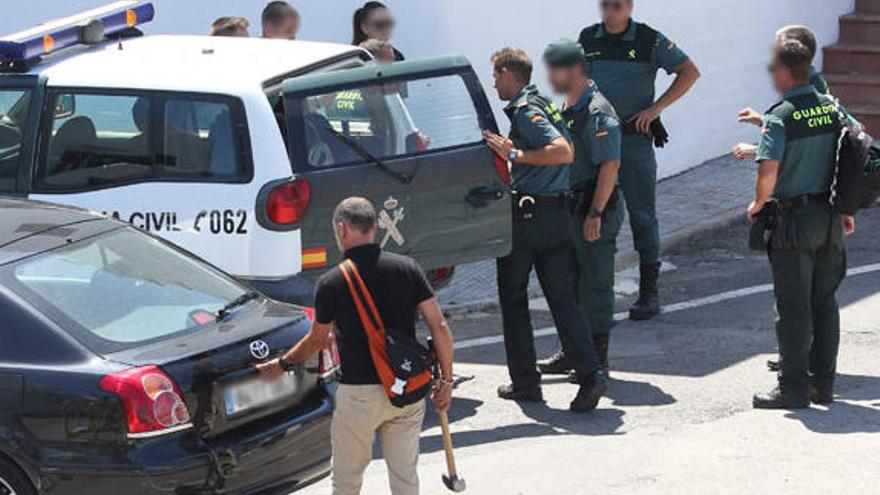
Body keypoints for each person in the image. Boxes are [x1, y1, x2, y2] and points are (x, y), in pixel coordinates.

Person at [257, 197, 454, 495]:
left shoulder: (332, 282)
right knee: (405, 479)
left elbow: (317, 340)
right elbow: (439, 326)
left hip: (359, 394)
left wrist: (283, 364)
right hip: (408, 388)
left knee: (347, 480)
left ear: (342, 228)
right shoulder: (408, 268)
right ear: (375, 228)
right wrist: (447, 381)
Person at [483, 47, 607, 412]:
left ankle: (526, 384)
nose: (493, 84)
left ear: (507, 73)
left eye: (494, 76)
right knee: (563, 301)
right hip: (555, 216)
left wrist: (514, 154)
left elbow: (563, 150)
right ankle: (590, 375)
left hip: (529, 218)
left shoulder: (526, 109)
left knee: (514, 300)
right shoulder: (541, 101)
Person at [749, 40, 856, 409]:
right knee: (824, 303)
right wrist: (847, 207)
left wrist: (757, 203)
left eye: (772, 68)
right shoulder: (833, 108)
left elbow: (768, 169)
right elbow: (857, 149)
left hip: (794, 222)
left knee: (793, 308)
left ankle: (792, 388)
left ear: (785, 72)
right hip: (830, 218)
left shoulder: (781, 115)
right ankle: (822, 384)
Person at [579, 0, 700, 321]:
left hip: (633, 141)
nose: (610, 12)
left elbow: (689, 72)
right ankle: (597, 290)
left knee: (642, 215)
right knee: (597, 212)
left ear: (629, 7)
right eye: (605, 5)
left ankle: (649, 292)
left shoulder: (649, 39)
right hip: (598, 142)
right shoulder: (588, 39)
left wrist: (655, 109)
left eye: (616, 6)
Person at [538, 40, 624, 379]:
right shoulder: (570, 106)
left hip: (592, 206)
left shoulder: (597, 111)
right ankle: (572, 351)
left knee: (594, 284)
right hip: (569, 205)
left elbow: (610, 165)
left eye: (556, 68)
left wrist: (595, 213)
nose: (551, 76)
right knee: (570, 283)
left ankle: (597, 358)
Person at [734, 25, 831, 162]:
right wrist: (763, 121)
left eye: (778, 48)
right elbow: (800, 124)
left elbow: (806, 144)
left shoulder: (809, 88)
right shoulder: (806, 80)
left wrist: (756, 151)